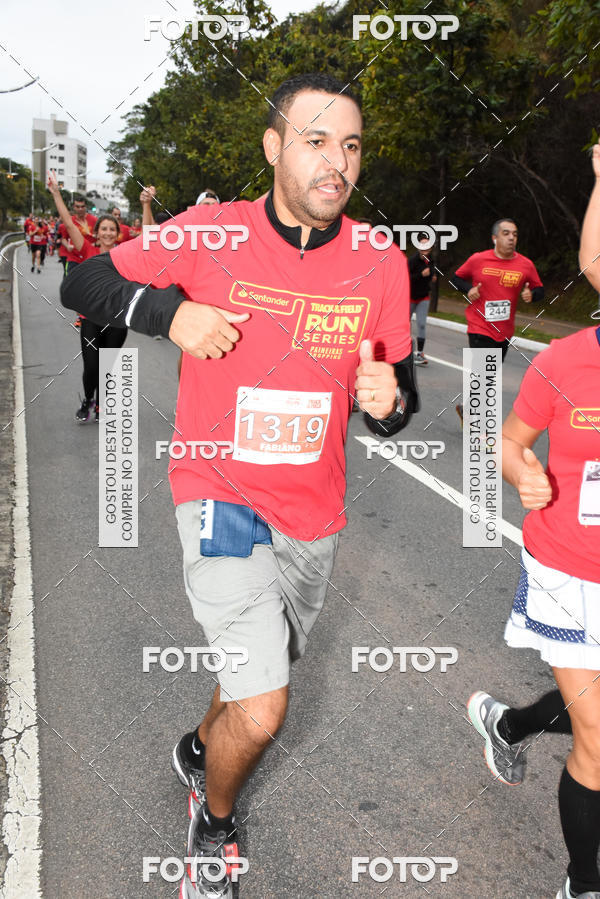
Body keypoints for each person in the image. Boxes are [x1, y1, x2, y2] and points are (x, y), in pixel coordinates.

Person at [61, 72, 419, 899]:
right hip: (217, 491)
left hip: (313, 514)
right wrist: (165, 313)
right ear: (273, 147)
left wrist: (391, 403)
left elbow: (395, 397)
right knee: (264, 706)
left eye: (352, 146)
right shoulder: (210, 234)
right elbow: (84, 283)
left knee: (250, 668)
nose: (339, 162)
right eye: (317, 140)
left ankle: (196, 744)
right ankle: (213, 823)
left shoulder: (380, 263)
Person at [467, 144, 600, 899]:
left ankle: (509, 726)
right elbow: (510, 446)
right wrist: (523, 472)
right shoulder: (565, 363)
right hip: (568, 573)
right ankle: (584, 884)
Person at [47, 171, 128, 422]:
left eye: (111, 229)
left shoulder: (127, 254)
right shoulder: (88, 249)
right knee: (91, 366)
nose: (106, 233)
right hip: (91, 319)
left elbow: (148, 234)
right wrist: (56, 194)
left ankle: (103, 404)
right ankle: (88, 399)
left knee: (108, 366)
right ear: (97, 232)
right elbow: (69, 225)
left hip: (116, 321)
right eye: (103, 229)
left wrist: (146, 204)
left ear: (117, 233)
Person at [451, 219, 544, 421]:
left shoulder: (525, 265)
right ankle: (480, 425)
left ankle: (467, 409)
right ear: (495, 238)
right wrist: (469, 290)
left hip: (504, 331)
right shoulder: (478, 260)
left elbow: (539, 289)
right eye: (506, 233)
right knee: (485, 374)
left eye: (515, 234)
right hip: (479, 326)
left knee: (489, 376)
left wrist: (532, 295)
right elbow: (456, 278)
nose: (511, 238)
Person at [408, 234, 437, 365]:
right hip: (409, 297)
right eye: (422, 245)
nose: (425, 248)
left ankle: (419, 353)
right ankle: (403, 351)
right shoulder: (412, 260)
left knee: (421, 324)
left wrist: (432, 277)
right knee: (404, 325)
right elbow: (406, 278)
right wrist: (420, 275)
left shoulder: (431, 260)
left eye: (427, 245)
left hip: (423, 297)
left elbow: (431, 273)